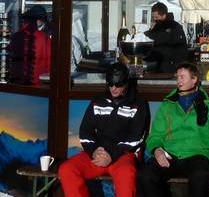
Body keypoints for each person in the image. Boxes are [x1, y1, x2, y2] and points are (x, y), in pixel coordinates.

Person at [59, 63, 150, 197]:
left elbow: (136, 138)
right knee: (67, 169)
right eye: (110, 84)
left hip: (122, 154)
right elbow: (85, 130)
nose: (113, 88)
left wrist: (112, 155)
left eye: (118, 85)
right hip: (99, 153)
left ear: (126, 83)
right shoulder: (98, 101)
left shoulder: (138, 104)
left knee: (126, 174)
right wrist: (93, 150)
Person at [137, 62, 209, 197]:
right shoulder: (168, 105)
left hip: (196, 154)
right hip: (170, 153)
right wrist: (157, 150)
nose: (178, 80)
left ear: (194, 79)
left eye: (182, 77)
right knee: (145, 175)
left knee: (202, 176)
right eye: (177, 77)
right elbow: (155, 135)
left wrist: (202, 121)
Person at [7, 5, 51, 85]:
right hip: (38, 83)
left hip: (17, 82)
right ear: (38, 20)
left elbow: (12, 60)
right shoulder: (44, 37)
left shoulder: (16, 36)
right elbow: (49, 62)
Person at [144, 2, 188, 73]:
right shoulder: (158, 26)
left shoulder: (174, 27)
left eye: (156, 17)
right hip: (159, 64)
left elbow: (180, 49)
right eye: (153, 17)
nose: (154, 19)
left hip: (170, 65)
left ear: (164, 15)